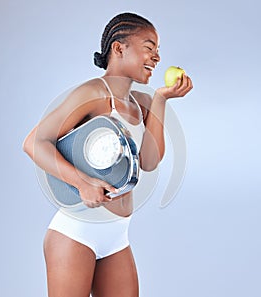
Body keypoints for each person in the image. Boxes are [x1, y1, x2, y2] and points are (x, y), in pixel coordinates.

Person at [23, 12, 192, 297]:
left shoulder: (143, 103)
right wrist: (83, 183)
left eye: (158, 52)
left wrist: (161, 99)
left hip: (116, 237)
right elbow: (34, 142)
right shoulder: (92, 93)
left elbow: (149, 161)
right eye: (149, 48)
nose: (157, 58)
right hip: (75, 233)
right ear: (119, 48)